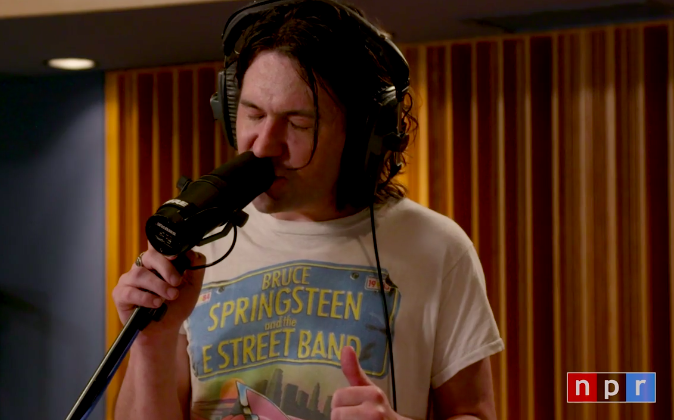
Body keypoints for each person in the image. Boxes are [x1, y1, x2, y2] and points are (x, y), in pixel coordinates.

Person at [112, 1, 504, 419]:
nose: (264, 145)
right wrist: (153, 343)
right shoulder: (199, 243)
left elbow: (474, 412)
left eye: (298, 124)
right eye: (253, 114)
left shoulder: (437, 247)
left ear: (362, 137)